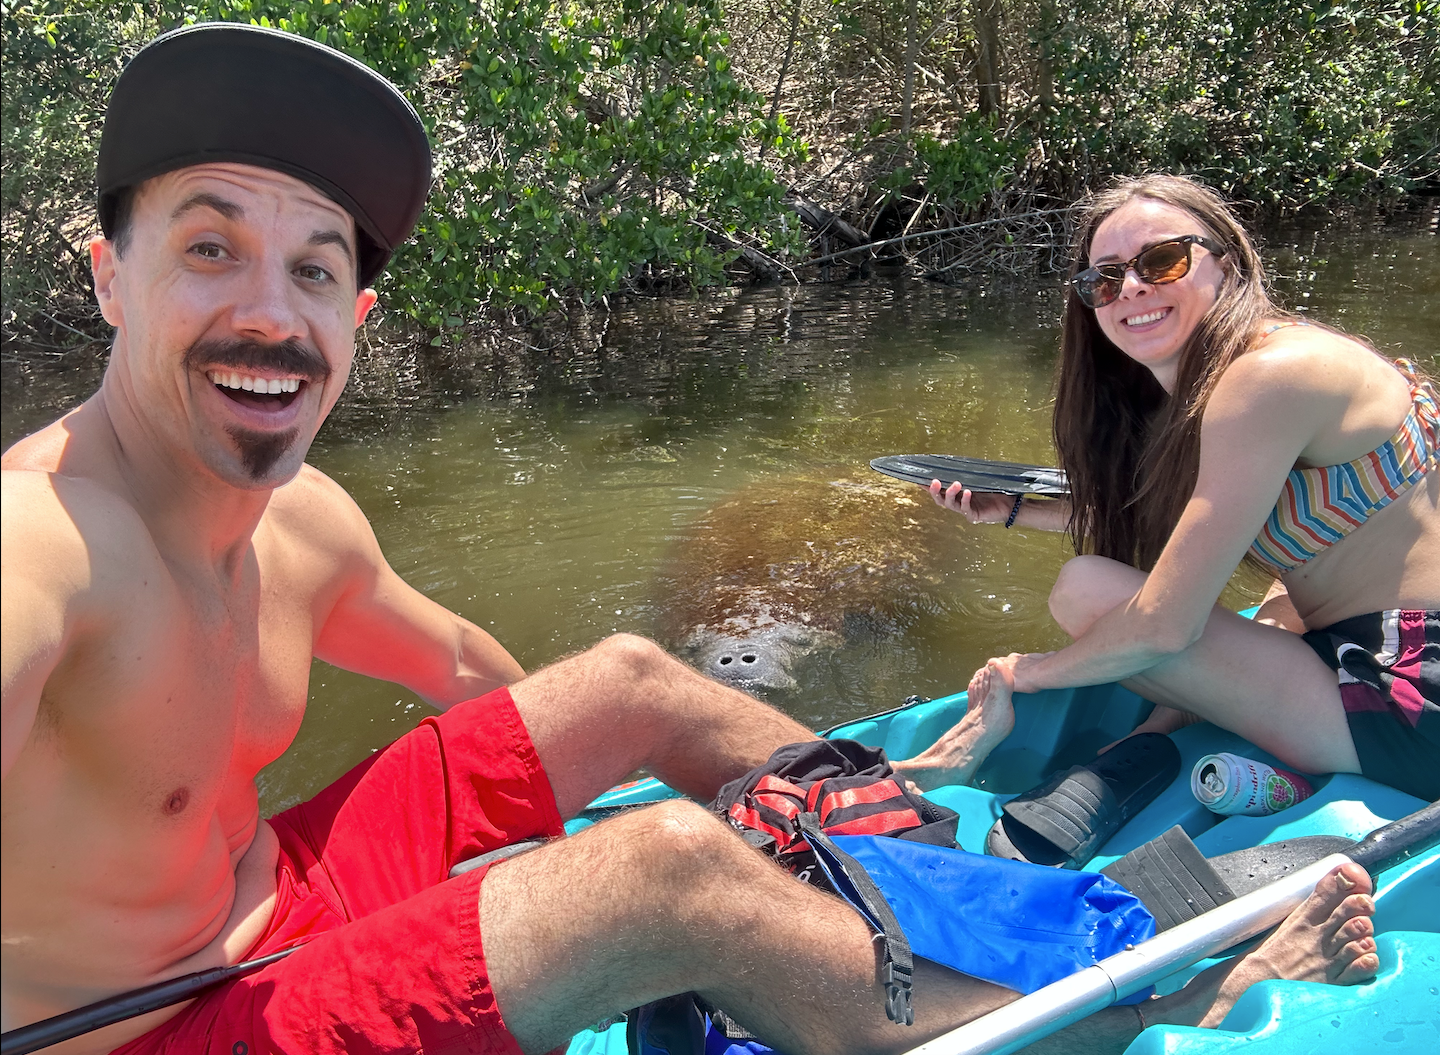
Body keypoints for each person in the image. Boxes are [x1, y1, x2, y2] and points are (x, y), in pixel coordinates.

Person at [1, 30, 1380, 1055]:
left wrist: (545, 878)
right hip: (158, 1024)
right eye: (208, 246)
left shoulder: (298, 517)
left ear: (354, 321)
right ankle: (1092, 1019)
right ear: (107, 270)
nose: (270, 310)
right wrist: (627, 896)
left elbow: (479, 680)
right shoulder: (34, 545)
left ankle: (906, 872)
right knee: (665, 867)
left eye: (315, 266)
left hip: (279, 888)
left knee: (627, 676)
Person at [895, 174, 1438, 802]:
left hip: (1414, 694)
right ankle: (1177, 720)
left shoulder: (1266, 380)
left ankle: (1169, 722)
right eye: (1105, 277)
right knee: (1110, 596)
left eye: (1162, 260)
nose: (1130, 287)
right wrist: (1011, 509)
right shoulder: (1266, 364)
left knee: (1087, 591)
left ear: (1227, 264)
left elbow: (1164, 627)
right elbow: (1184, 513)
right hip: (1363, 647)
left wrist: (1025, 675)